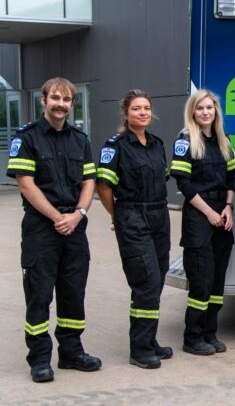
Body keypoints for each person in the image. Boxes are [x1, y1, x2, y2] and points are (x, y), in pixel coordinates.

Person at [7, 77, 102, 382]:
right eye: (56, 98)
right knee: (39, 294)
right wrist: (56, 217)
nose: (61, 104)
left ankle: (72, 353)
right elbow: (26, 184)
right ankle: (39, 359)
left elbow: (89, 182)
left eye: (67, 100)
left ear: (72, 104)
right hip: (41, 228)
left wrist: (78, 214)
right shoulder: (27, 138)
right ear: (43, 100)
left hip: (75, 226)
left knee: (73, 293)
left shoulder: (80, 139)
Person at [96, 89, 174, 369]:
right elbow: (103, 186)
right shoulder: (116, 145)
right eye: (136, 108)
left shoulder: (156, 143)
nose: (143, 112)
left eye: (146, 108)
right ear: (126, 114)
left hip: (159, 215)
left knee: (158, 278)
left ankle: (149, 340)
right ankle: (139, 349)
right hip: (132, 215)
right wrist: (118, 215)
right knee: (146, 282)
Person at [170, 91, 235, 356]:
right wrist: (210, 212)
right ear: (193, 112)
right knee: (201, 278)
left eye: (209, 107)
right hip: (200, 214)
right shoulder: (185, 139)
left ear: (216, 111)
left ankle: (210, 332)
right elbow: (183, 184)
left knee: (217, 279)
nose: (205, 112)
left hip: (223, 214)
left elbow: (231, 178)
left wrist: (229, 208)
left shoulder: (224, 139)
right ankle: (192, 337)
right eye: (200, 108)